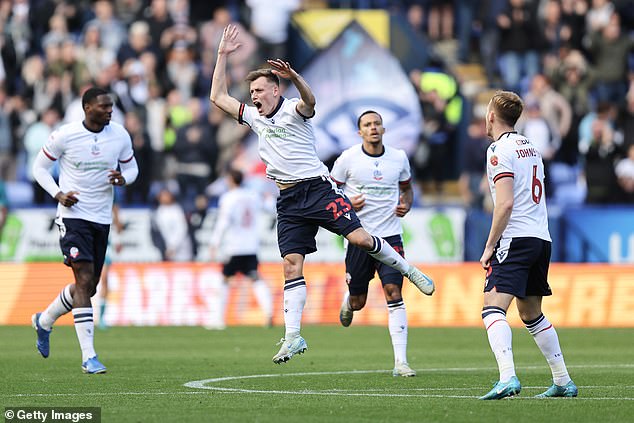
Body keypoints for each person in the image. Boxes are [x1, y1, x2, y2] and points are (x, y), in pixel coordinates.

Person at [210, 25, 434, 365]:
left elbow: (310, 101)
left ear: (275, 89)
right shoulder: (255, 117)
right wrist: (222, 55)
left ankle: (408, 269)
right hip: (287, 200)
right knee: (290, 264)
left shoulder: (292, 110)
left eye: (258, 89)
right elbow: (218, 98)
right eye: (251, 90)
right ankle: (293, 336)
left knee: (360, 238)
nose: (253, 95)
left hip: (316, 188)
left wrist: (296, 76)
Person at [31, 87, 139, 374]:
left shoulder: (119, 135)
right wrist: (58, 194)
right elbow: (39, 168)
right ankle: (88, 357)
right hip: (73, 215)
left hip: (101, 218)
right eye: (104, 106)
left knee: (87, 287)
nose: (109, 111)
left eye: (111, 106)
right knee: (84, 278)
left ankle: (44, 321)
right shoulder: (65, 135)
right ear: (87, 107)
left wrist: (122, 180)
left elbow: (133, 170)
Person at [478, 90, 577, 399]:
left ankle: (507, 376)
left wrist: (489, 245)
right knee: (531, 312)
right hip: (540, 238)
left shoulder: (498, 150)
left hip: (515, 237)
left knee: (492, 307)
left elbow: (504, 204)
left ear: (492, 116)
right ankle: (562, 380)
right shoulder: (531, 147)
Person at [330, 110, 418, 377]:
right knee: (359, 302)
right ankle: (349, 299)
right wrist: (346, 203)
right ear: (360, 132)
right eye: (367, 125)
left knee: (394, 292)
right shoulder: (348, 158)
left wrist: (407, 204)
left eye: (377, 123)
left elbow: (407, 187)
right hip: (359, 237)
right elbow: (331, 190)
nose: (373, 128)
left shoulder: (398, 157)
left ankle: (401, 362)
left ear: (383, 128)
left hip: (390, 237)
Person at [208, 169, 273, 329]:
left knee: (224, 280)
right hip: (251, 245)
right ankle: (268, 312)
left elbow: (223, 222)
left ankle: (218, 319)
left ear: (230, 180)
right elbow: (270, 207)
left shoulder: (228, 198)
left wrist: (214, 242)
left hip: (234, 246)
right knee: (255, 278)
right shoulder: (252, 195)